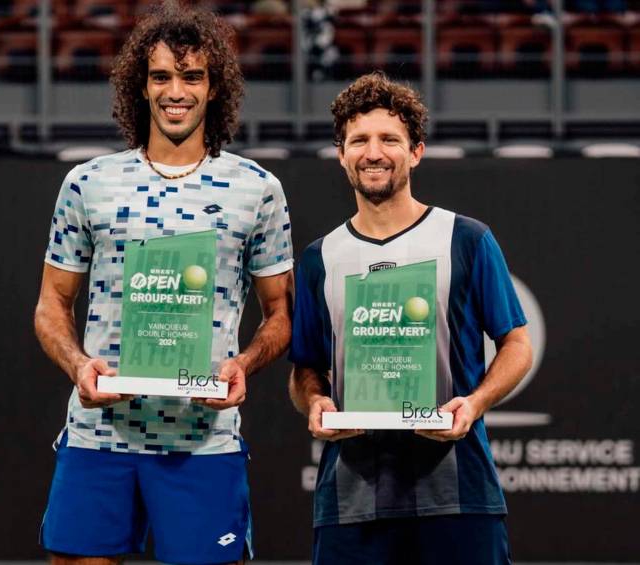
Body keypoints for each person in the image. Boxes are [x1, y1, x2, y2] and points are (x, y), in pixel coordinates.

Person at [34, 3, 294, 564]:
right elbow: (52, 303)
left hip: (203, 441)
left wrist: (243, 364)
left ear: (214, 87)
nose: (176, 90)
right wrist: (79, 365)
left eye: (192, 76)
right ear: (141, 86)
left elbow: (282, 316)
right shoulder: (88, 183)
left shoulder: (257, 189)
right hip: (99, 435)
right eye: (161, 76)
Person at [288, 71, 533, 565]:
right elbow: (305, 369)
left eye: (389, 139)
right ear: (341, 154)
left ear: (416, 151)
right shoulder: (319, 258)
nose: (373, 152)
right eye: (359, 140)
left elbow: (518, 344)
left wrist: (474, 403)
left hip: (458, 491)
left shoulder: (466, 239)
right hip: (351, 501)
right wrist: (314, 401)